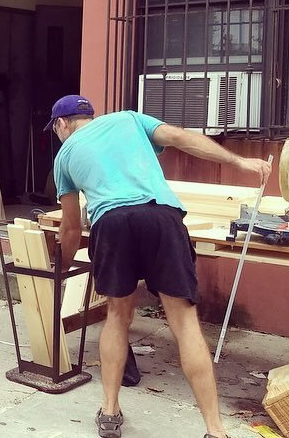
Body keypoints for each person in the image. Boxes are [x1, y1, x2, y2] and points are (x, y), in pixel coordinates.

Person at [46, 95, 270, 438]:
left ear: (62, 124)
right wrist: (239, 161)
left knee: (117, 315)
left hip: (111, 223)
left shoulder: (64, 157)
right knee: (184, 322)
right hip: (161, 216)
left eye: (55, 129)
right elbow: (180, 137)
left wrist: (61, 267)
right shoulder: (129, 119)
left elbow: (72, 227)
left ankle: (110, 412)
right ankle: (215, 430)